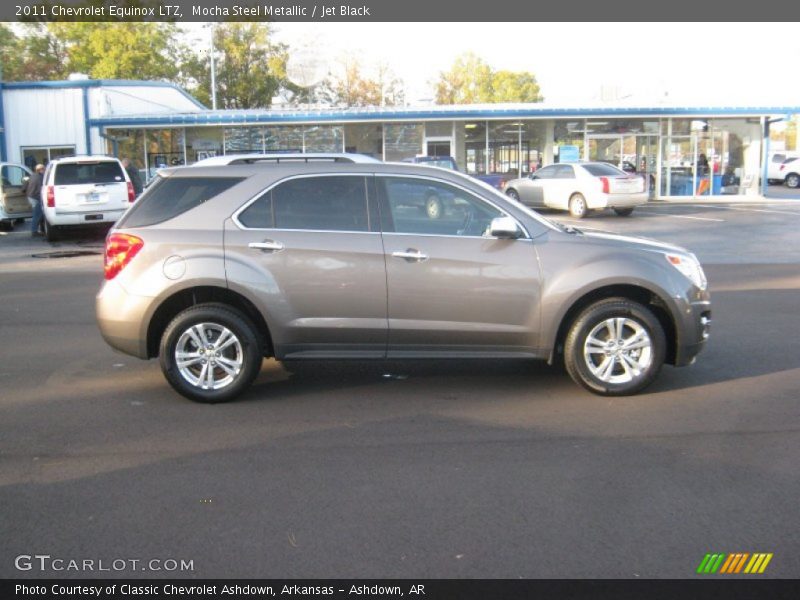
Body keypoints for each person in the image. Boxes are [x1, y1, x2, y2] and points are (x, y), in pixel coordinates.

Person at [22, 163, 45, 237]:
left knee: (40, 213)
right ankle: (34, 231)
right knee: (37, 214)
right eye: (44, 169)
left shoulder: (31, 176)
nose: (44, 170)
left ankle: (42, 229)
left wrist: (25, 192)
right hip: (37, 197)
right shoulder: (42, 177)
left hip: (30, 197)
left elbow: (24, 188)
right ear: (41, 170)